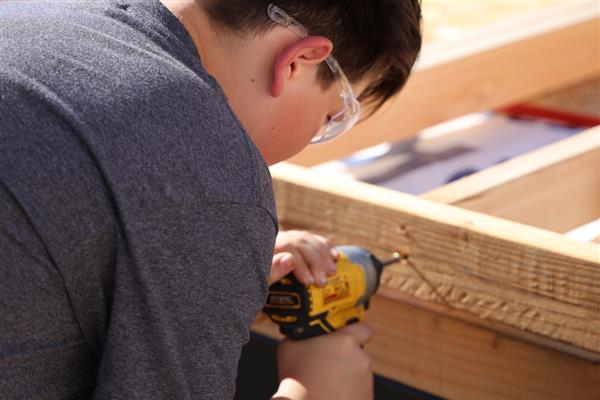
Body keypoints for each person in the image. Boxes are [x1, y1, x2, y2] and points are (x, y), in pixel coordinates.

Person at [0, 0, 422, 399]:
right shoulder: (211, 175)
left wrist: (204, 256)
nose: (316, 138)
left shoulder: (34, 17)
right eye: (333, 115)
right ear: (298, 61)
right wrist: (317, 390)